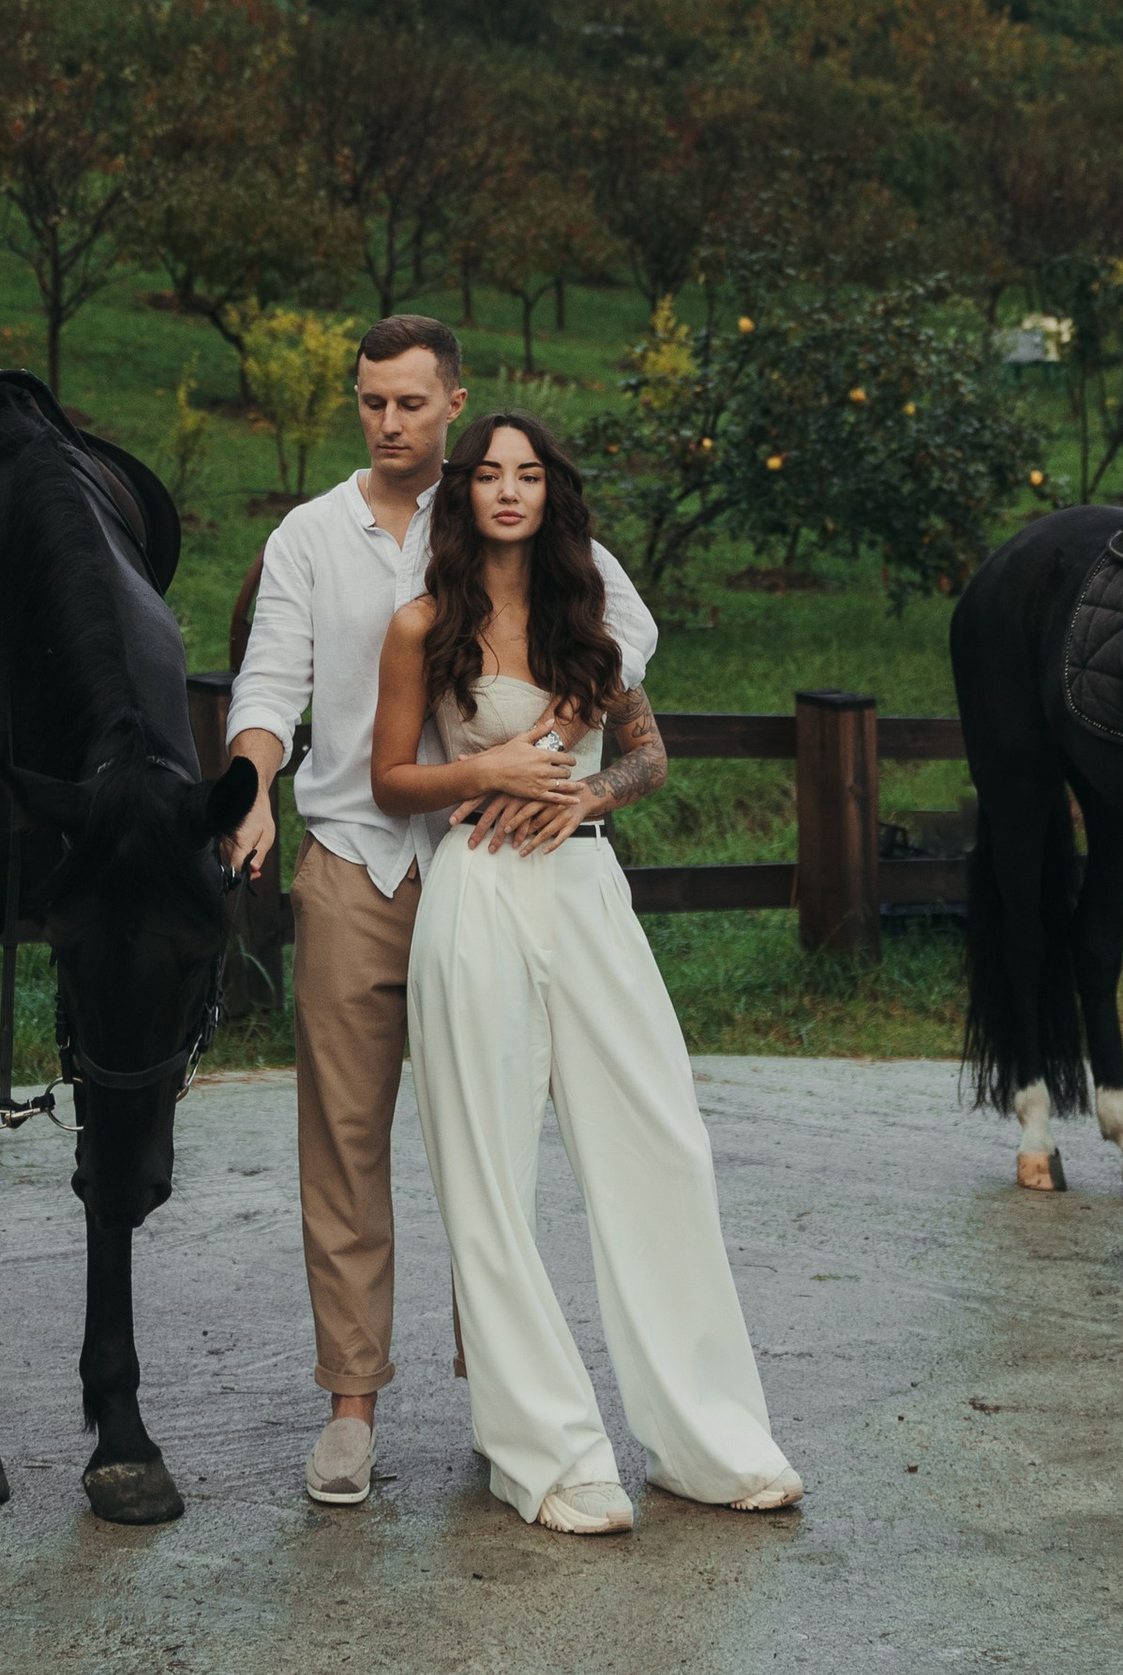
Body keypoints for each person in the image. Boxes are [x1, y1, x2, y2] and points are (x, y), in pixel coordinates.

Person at [226, 316, 658, 1508]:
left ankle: (503, 1392)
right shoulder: (312, 534)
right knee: (346, 1141)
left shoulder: (507, 509)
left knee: (495, 1135)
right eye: (371, 402)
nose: (389, 422)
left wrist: (553, 748)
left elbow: (628, 627)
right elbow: (269, 679)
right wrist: (251, 787)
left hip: (500, 867)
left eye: (412, 403)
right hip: (360, 863)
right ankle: (352, 1405)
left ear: (453, 404)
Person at [371, 406, 802, 1536]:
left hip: (587, 890)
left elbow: (650, 754)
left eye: (529, 475)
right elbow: (385, 783)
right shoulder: (421, 625)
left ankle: (708, 1442)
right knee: (489, 1179)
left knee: (661, 1146)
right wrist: (488, 769)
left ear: (554, 494)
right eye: (489, 476)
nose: (508, 492)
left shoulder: (591, 621)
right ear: (462, 493)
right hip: (474, 893)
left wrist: (584, 794)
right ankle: (549, 1454)